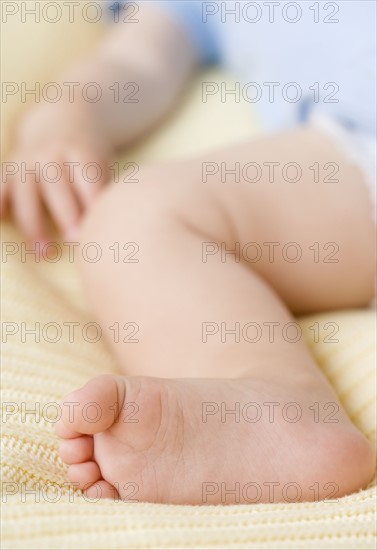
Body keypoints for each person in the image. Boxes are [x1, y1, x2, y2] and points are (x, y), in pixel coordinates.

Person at [2, 1, 376, 504]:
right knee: (130, 224)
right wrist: (64, 117)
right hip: (355, 151)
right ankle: (275, 410)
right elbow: (134, 64)